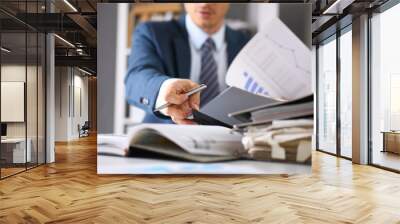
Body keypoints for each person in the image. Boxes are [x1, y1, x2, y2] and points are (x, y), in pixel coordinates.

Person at [125, 3, 250, 124]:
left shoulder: (246, 43)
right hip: (165, 139)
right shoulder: (151, 33)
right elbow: (136, 78)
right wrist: (163, 88)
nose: (204, 4)